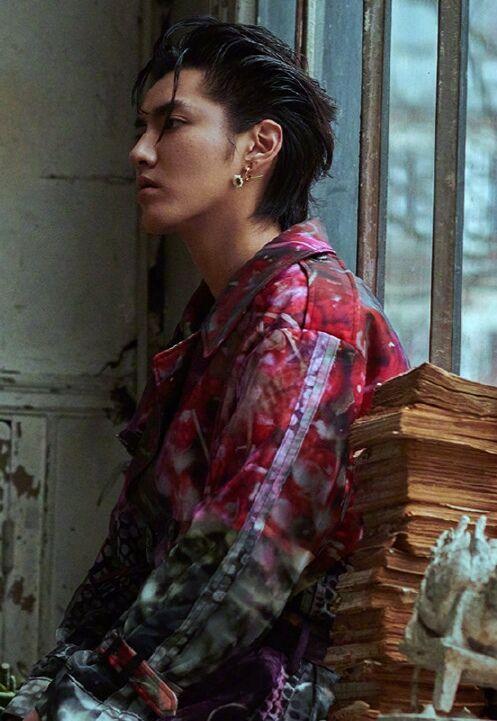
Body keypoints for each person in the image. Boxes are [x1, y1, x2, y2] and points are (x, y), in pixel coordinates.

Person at [2, 16, 410, 721]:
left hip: (288, 692)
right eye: (141, 126)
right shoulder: (213, 321)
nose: (139, 151)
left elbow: (243, 561)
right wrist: (56, 682)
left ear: (258, 145)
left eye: (172, 124)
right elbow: (134, 554)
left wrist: (84, 699)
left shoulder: (307, 316)